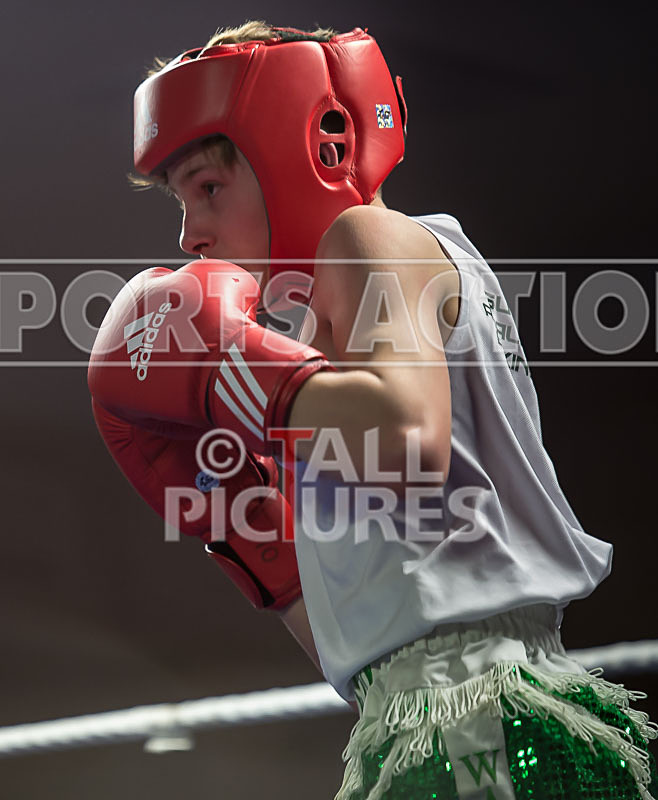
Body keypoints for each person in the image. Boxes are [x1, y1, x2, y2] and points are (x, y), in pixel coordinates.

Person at [88, 21, 658, 800]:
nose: (190, 234)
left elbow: (409, 438)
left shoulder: (374, 236)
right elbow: (355, 650)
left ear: (314, 149)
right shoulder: (317, 369)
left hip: (482, 714)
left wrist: (228, 372)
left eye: (208, 188)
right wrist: (245, 530)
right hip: (418, 721)